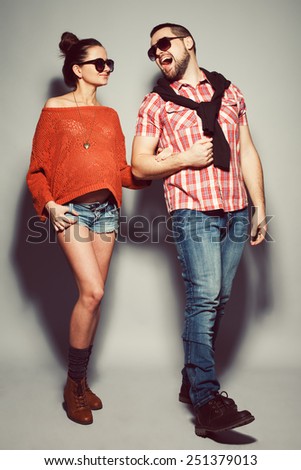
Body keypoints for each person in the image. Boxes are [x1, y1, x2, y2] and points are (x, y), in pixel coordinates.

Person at [131, 22, 267, 437]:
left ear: (188, 43)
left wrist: (259, 207)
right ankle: (207, 401)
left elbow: (246, 151)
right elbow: (139, 164)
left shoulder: (231, 91)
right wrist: (186, 158)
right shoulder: (156, 103)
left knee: (220, 300)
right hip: (192, 210)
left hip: (236, 210)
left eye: (164, 43)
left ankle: (192, 381)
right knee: (203, 299)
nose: (157, 53)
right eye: (152, 50)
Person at [27, 32, 148, 425]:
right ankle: (72, 385)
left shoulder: (110, 116)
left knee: (94, 298)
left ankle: (79, 384)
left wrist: (156, 168)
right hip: (73, 213)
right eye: (99, 63)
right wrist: (49, 204)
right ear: (77, 69)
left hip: (108, 213)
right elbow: (38, 169)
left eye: (109, 63)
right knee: (92, 291)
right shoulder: (55, 108)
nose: (106, 68)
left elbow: (120, 172)